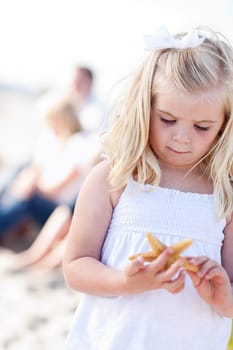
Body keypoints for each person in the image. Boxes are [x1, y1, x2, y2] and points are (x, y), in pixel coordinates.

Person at [63, 25, 233, 350]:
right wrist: (124, 281)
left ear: (225, 125)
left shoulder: (225, 196)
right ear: (145, 107)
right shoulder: (114, 178)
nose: (182, 137)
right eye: (167, 119)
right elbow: (75, 266)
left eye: (202, 127)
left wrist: (225, 298)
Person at [0, 97, 99, 240]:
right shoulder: (54, 140)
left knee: (28, 199)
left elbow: (57, 189)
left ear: (61, 120)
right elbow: (36, 167)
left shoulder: (80, 145)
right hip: (40, 193)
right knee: (19, 174)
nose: (47, 125)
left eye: (50, 121)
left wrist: (34, 187)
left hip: (56, 208)